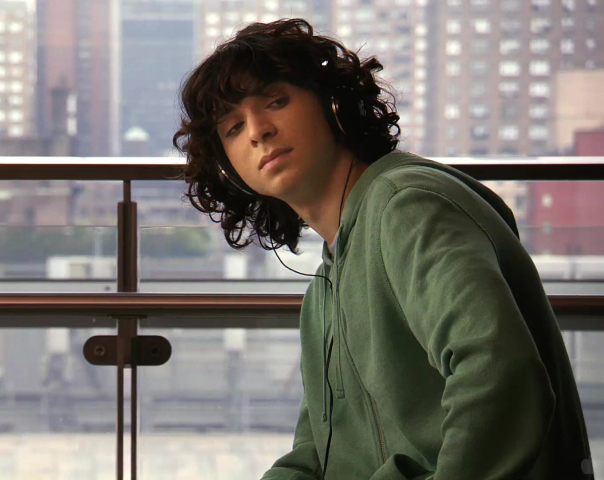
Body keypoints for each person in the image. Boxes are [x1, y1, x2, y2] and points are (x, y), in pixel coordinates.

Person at [172, 18, 593, 480]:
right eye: (233, 128)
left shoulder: (407, 209)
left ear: (332, 103)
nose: (257, 131)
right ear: (229, 169)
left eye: (276, 101)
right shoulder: (326, 284)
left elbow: (500, 375)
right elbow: (317, 451)